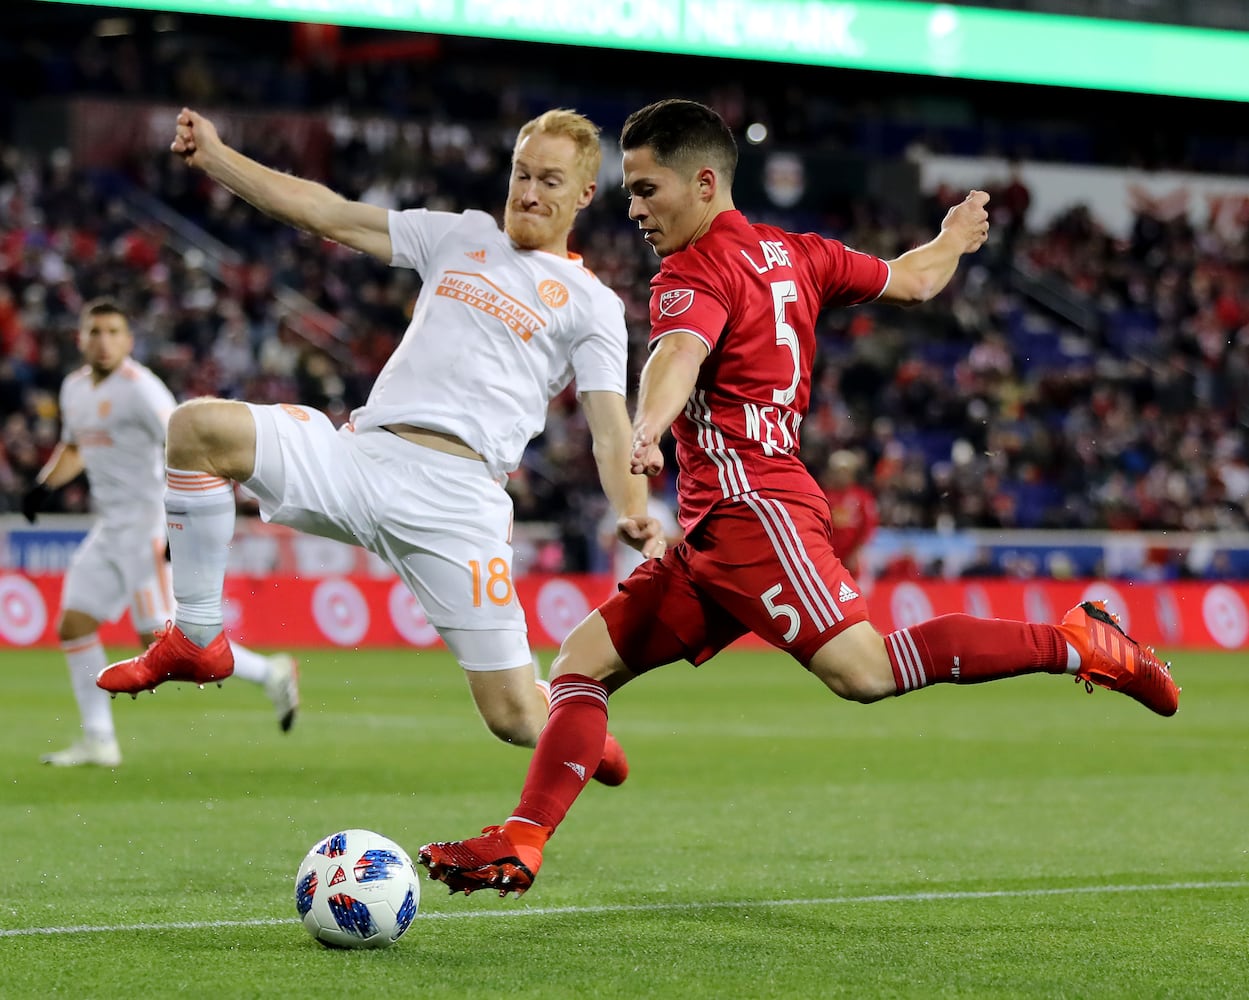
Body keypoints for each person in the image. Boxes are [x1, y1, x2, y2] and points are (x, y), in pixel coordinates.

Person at [417, 98, 1180, 898]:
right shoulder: (799, 253)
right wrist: (952, 240)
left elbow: (679, 352)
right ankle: (522, 838)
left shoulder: (693, 270)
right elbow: (915, 281)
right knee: (580, 665)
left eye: (646, 190)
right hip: (717, 529)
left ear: (703, 182)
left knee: (866, 671)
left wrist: (647, 425)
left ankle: (1077, 642)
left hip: (755, 512)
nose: (633, 209)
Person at [98, 108, 663, 784]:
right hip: (361, 459)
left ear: (582, 195)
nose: (529, 192)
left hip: (458, 504)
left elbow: (608, 426)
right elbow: (326, 212)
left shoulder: (591, 303)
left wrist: (633, 509)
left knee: (513, 718)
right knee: (196, 429)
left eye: (548, 180)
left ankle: (579, 729)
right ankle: (197, 635)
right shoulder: (461, 235)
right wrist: (216, 158)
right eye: (520, 174)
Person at [26, 298, 299, 767]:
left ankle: (270, 672)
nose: (104, 340)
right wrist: (43, 485)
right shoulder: (73, 388)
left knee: (163, 642)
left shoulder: (143, 390)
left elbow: (186, 445)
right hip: (109, 530)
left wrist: (181, 527)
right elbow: (74, 447)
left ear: (129, 341)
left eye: (114, 331)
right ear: (80, 338)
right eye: (95, 331)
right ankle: (99, 739)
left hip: (149, 526)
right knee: (74, 625)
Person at [819, 449, 878, 578]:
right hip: (828, 556)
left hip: (852, 557)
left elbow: (868, 527)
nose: (840, 476)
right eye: (836, 472)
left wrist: (856, 552)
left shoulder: (862, 498)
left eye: (844, 472)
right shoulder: (823, 496)